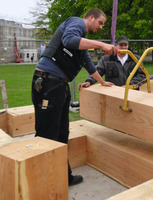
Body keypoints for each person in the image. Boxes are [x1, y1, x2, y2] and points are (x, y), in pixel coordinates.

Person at [31, 8, 117, 186]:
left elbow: (87, 62)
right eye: (100, 22)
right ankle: (41, 184)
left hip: (59, 85)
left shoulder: (82, 40)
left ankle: (63, 176)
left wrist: (101, 82)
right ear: (91, 18)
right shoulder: (76, 22)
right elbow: (68, 40)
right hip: (48, 84)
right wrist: (101, 45)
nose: (101, 27)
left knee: (62, 133)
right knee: (47, 134)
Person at [78, 35, 145, 89]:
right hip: (112, 92)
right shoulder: (107, 59)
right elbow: (98, 71)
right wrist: (89, 81)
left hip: (131, 91)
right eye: (121, 45)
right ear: (116, 45)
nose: (124, 47)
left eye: (125, 45)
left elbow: (142, 75)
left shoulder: (135, 59)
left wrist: (128, 85)